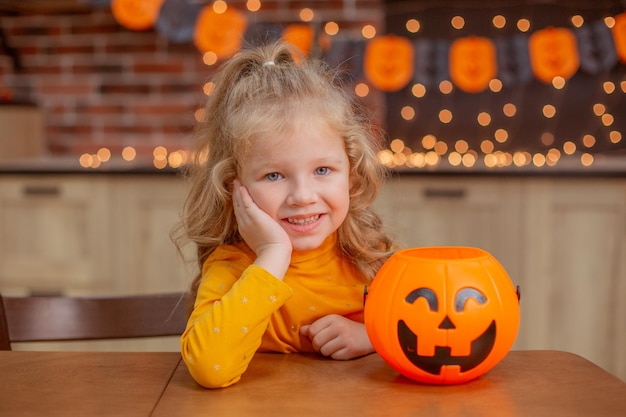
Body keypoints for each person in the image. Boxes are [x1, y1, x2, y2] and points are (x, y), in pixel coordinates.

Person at [174, 41, 396, 389]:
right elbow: (209, 367)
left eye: (323, 170)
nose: (304, 197)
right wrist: (273, 254)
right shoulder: (234, 267)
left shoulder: (369, 255)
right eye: (274, 176)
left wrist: (371, 336)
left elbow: (428, 334)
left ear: (351, 172)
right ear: (235, 187)